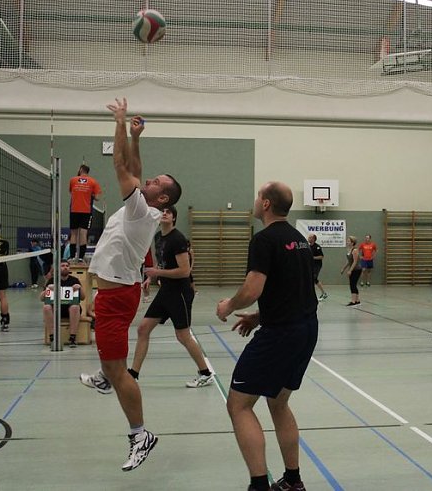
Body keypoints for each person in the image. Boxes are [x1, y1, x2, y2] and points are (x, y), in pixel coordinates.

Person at [78, 98, 182, 471]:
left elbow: (121, 166)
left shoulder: (139, 209)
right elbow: (135, 169)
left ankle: (140, 435)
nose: (148, 180)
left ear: (162, 197)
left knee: (120, 371)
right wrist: (137, 138)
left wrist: (120, 123)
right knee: (112, 364)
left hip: (117, 296)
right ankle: (106, 376)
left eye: (156, 183)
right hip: (118, 291)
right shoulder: (145, 206)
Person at [215, 181, 318, 491]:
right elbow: (295, 290)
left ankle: (259, 485)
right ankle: (293, 481)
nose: (256, 200)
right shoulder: (299, 240)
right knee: (278, 402)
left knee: (238, 405)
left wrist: (228, 306)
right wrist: (259, 316)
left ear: (266, 204)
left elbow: (252, 289)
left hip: (280, 335)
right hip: (305, 329)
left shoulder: (264, 240)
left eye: (258, 195)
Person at [128, 205, 214, 388]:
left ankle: (206, 373)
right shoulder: (158, 237)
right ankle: (133, 374)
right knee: (143, 329)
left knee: (183, 335)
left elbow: (184, 271)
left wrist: (157, 272)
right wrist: (150, 277)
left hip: (180, 292)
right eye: (163, 212)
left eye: (168, 212)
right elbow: (162, 263)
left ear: (174, 218)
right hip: (165, 291)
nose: (164, 214)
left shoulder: (178, 239)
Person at [41, 260, 85, 347]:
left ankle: (72, 338)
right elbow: (41, 298)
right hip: (56, 309)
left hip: (70, 308)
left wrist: (79, 288)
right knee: (46, 307)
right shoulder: (52, 280)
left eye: (67, 266)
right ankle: (52, 337)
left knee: (75, 307)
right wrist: (47, 289)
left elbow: (83, 298)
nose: (65, 267)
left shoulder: (74, 280)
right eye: (62, 266)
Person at [68, 164, 102, 263]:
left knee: (73, 234)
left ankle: (72, 256)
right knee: (83, 233)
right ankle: (81, 257)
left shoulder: (73, 180)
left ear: (80, 170)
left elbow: (71, 192)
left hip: (74, 209)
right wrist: (90, 194)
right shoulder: (93, 182)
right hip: (86, 211)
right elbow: (97, 198)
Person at [341, 236, 362, 307]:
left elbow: (355, 262)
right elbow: (349, 261)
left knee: (352, 284)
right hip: (353, 269)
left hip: (356, 269)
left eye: (348, 241)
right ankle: (357, 300)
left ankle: (353, 301)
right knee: (353, 284)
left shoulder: (355, 250)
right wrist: (343, 268)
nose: (347, 242)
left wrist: (350, 270)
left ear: (352, 243)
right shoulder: (349, 250)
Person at [307, 234, 328, 300]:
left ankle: (311, 295)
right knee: (314, 280)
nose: (308, 238)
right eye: (308, 237)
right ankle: (324, 293)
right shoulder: (308, 246)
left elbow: (321, 256)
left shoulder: (317, 247)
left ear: (313, 239)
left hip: (317, 265)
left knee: (313, 278)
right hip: (310, 265)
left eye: (310, 237)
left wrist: (313, 257)